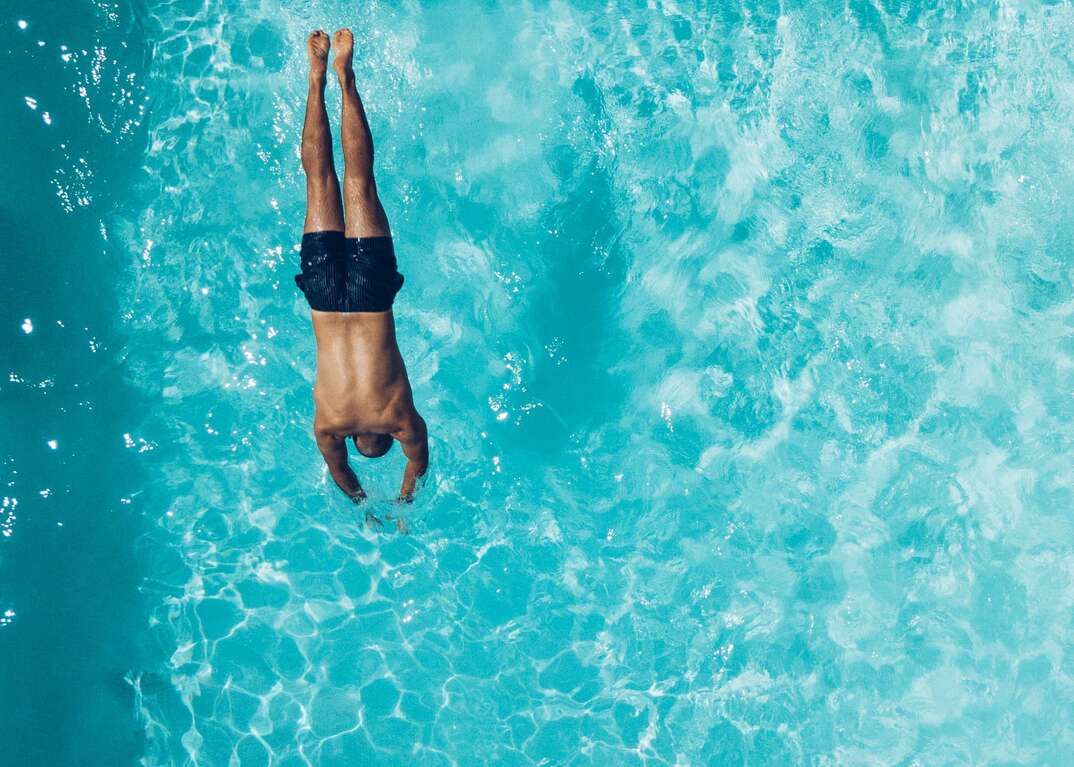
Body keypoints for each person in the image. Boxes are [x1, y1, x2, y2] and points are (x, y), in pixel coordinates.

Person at [296, 28, 428, 503]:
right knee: (318, 182)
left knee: (360, 179)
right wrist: (362, 501)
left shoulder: (399, 418)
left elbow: (418, 460)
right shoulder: (329, 425)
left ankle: (344, 76)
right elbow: (339, 471)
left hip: (372, 296)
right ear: (356, 440)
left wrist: (402, 498)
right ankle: (315, 80)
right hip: (323, 300)